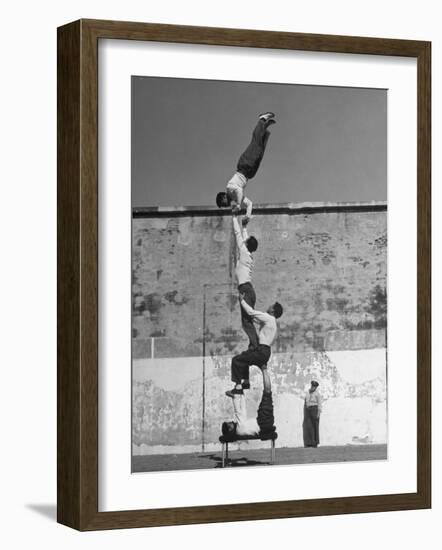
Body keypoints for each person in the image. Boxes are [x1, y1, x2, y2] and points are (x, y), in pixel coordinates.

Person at [216, 112, 276, 224]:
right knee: (260, 152)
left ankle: (262, 120)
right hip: (250, 173)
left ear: (224, 198)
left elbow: (239, 190)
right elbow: (249, 204)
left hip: (244, 165)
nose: (227, 205)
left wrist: (238, 205)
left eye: (224, 204)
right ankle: (264, 127)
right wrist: (247, 216)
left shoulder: (229, 188)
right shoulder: (236, 198)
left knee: (256, 144)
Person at [226, 295, 283, 396]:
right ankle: (246, 383)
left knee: (237, 360)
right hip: (266, 353)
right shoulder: (273, 322)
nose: (269, 306)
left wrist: (242, 301)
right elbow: (255, 319)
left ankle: (238, 387)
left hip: (260, 351)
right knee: (246, 357)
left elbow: (251, 312)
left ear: (273, 310)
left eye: (271, 306)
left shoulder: (268, 317)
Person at [232, 213, 259, 360]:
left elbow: (238, 234)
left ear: (247, 244)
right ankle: (253, 344)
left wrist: (234, 217)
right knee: (248, 321)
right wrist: (245, 226)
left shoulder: (243, 251)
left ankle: (255, 345)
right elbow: (244, 236)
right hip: (249, 290)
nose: (245, 239)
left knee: (246, 322)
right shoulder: (247, 253)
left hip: (245, 290)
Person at [222, 369, 276, 439]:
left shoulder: (240, 430)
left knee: (267, 393)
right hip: (263, 422)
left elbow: (242, 411)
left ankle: (237, 393)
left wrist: (239, 394)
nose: (231, 422)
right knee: (267, 392)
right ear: (230, 428)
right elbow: (239, 412)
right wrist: (236, 397)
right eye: (229, 423)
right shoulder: (240, 428)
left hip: (265, 424)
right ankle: (264, 368)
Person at [303, 380, 322, 448]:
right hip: (308, 410)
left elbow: (319, 404)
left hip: (315, 409)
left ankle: (315, 443)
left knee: (315, 426)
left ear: (316, 387)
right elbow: (306, 401)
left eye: (315, 387)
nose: (313, 388)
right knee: (308, 426)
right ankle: (308, 443)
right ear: (311, 386)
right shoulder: (307, 393)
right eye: (312, 386)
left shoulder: (317, 394)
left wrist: (318, 413)